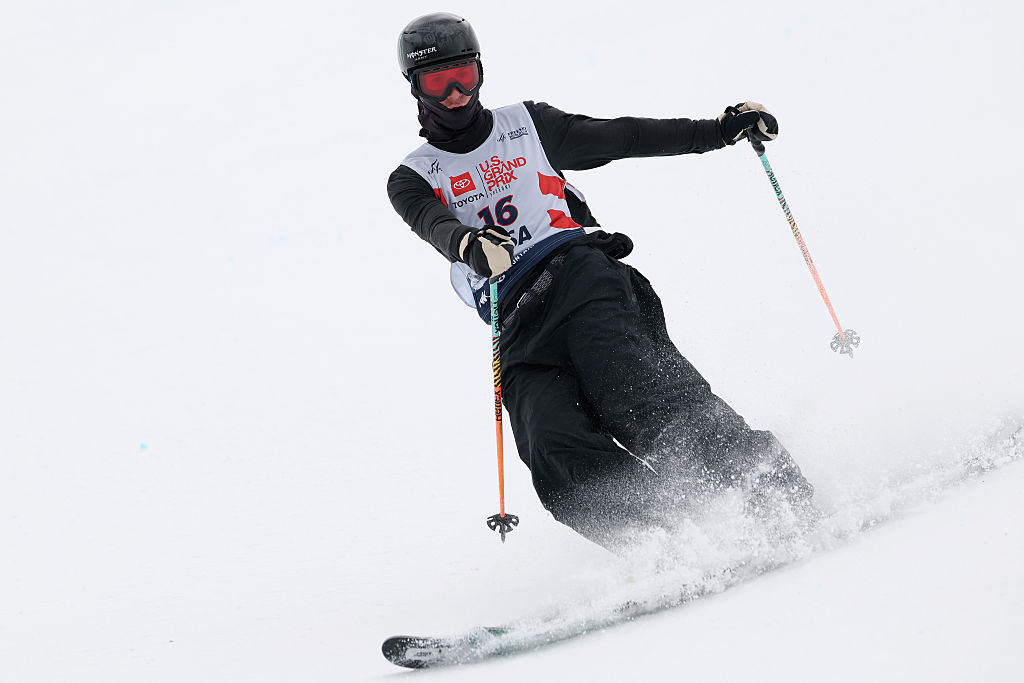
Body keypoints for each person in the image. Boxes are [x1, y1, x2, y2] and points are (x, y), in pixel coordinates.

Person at [388, 12, 815, 550]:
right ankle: (665, 543)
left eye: (464, 75)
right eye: (436, 80)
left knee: (640, 397)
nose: (454, 92)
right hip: (515, 327)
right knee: (551, 443)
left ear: (480, 72)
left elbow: (625, 136)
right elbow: (434, 223)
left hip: (580, 278)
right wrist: (469, 246)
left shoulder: (528, 126)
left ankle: (773, 495)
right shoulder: (411, 177)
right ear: (415, 87)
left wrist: (719, 131)